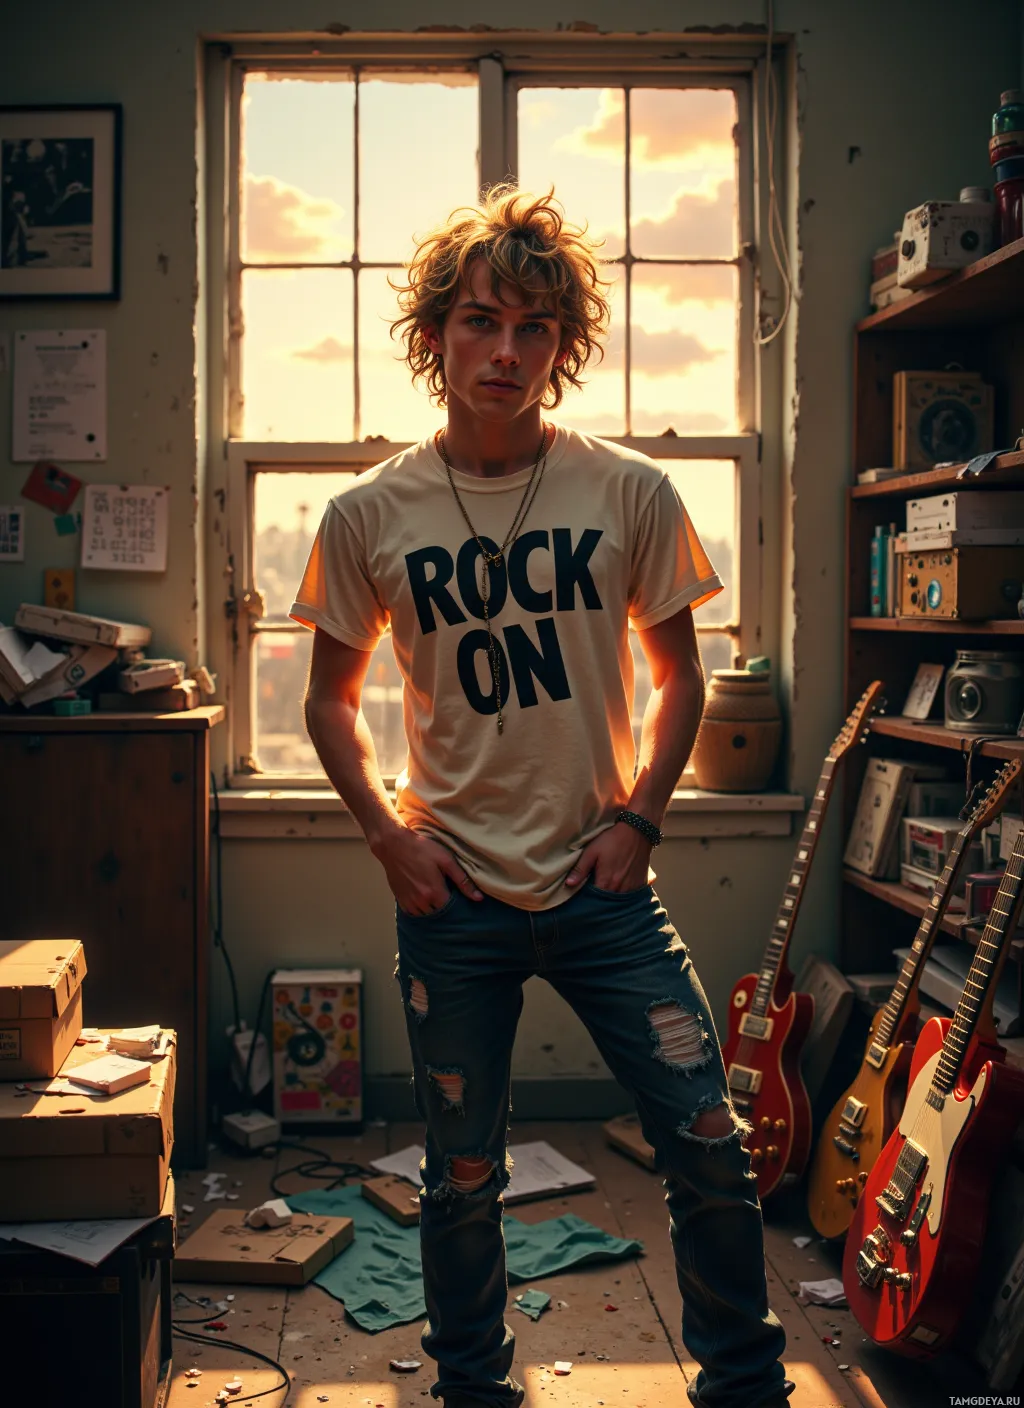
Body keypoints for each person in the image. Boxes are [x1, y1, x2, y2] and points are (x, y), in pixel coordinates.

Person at [292, 186, 792, 1408]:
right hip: (450, 891)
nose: (503, 352)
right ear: (435, 335)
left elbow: (685, 677)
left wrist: (639, 820)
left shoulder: (627, 492)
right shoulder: (365, 514)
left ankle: (742, 1385)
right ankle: (473, 1388)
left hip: (600, 885)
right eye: (478, 322)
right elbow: (324, 705)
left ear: (562, 347)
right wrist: (388, 842)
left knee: (707, 1144)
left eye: (531, 329)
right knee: (461, 1173)